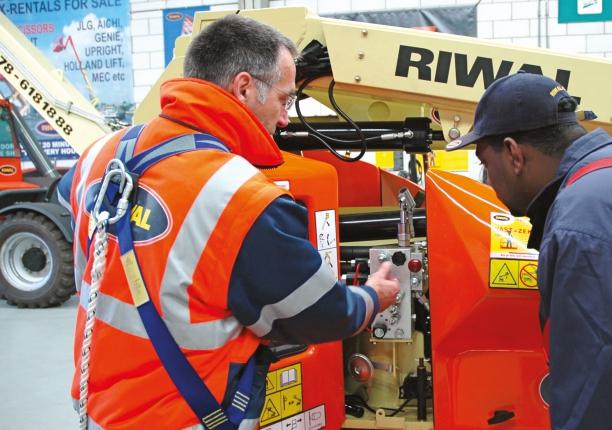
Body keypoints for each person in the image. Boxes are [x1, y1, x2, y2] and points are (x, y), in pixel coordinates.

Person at [58, 14, 400, 430]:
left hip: (99, 410)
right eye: (285, 99)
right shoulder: (239, 197)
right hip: (181, 416)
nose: (286, 118)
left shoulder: (101, 154)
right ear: (243, 88)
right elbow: (321, 315)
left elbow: (68, 198)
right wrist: (372, 296)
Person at [446, 71, 612, 430]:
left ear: (513, 154)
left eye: (484, 164)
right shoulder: (600, 184)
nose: (488, 181)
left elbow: (593, 385)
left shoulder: (578, 226)